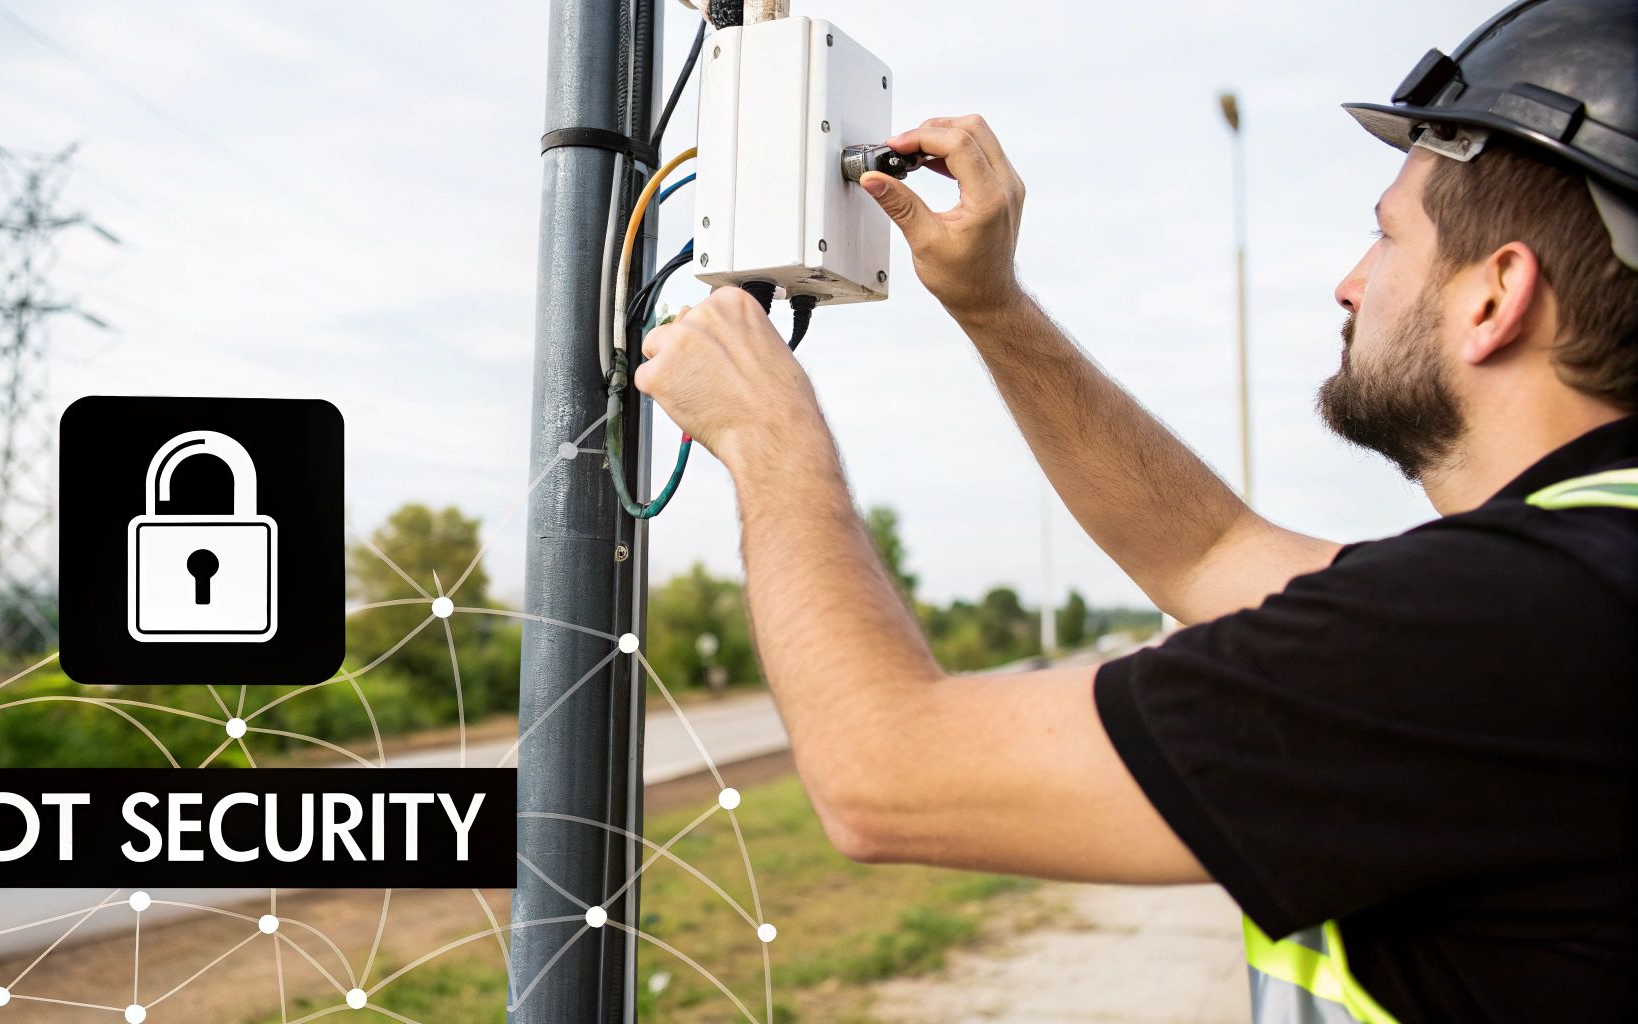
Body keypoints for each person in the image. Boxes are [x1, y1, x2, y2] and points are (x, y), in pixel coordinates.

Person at [632, 1, 1638, 1021]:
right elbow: (1208, 549)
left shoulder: (1511, 622)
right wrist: (991, 305)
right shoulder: (1579, 580)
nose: (1349, 284)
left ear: (1494, 295)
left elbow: (883, 772)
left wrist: (771, 441)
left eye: (1386, 236)